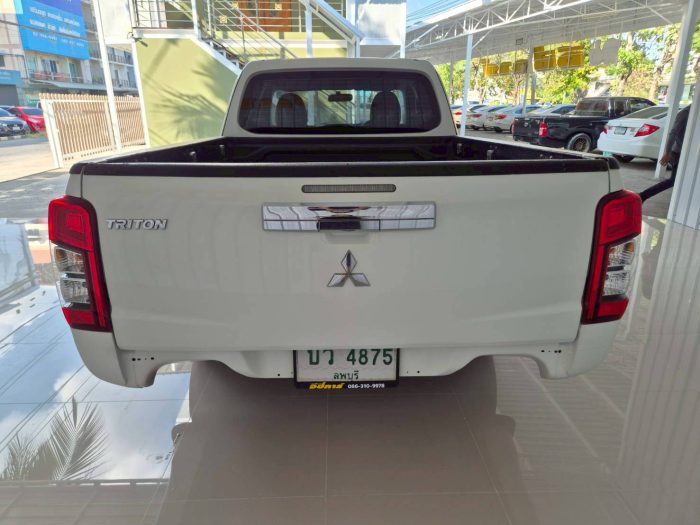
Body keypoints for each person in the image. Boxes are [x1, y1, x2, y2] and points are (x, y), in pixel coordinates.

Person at [639, 104, 691, 201]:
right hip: (679, 153)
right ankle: (642, 196)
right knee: (673, 180)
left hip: (689, 154)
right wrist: (667, 152)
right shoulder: (685, 113)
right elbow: (673, 133)